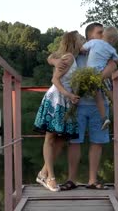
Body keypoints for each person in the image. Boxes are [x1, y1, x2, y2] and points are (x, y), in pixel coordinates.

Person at [48, 22, 118, 191]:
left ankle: (92, 180)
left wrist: (96, 78)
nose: (103, 36)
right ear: (89, 37)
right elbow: (52, 56)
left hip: (99, 104)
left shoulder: (106, 52)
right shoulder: (76, 52)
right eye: (99, 32)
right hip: (77, 103)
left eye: (104, 33)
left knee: (97, 142)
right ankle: (71, 179)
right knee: (74, 141)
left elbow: (114, 64)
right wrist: (54, 61)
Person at [33, 31, 84, 192]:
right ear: (74, 41)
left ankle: (43, 172)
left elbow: (51, 58)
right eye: (81, 38)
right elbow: (55, 80)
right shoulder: (68, 57)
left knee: (61, 140)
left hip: (65, 102)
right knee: (50, 138)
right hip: (56, 100)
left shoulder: (71, 57)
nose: (84, 40)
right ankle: (50, 178)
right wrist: (69, 94)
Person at [80, 26, 118, 130]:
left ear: (103, 35)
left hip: (90, 74)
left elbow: (82, 49)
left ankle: (104, 118)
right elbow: (117, 60)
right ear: (113, 40)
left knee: (98, 98)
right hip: (102, 73)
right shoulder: (111, 49)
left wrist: (85, 52)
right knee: (111, 94)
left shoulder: (93, 42)